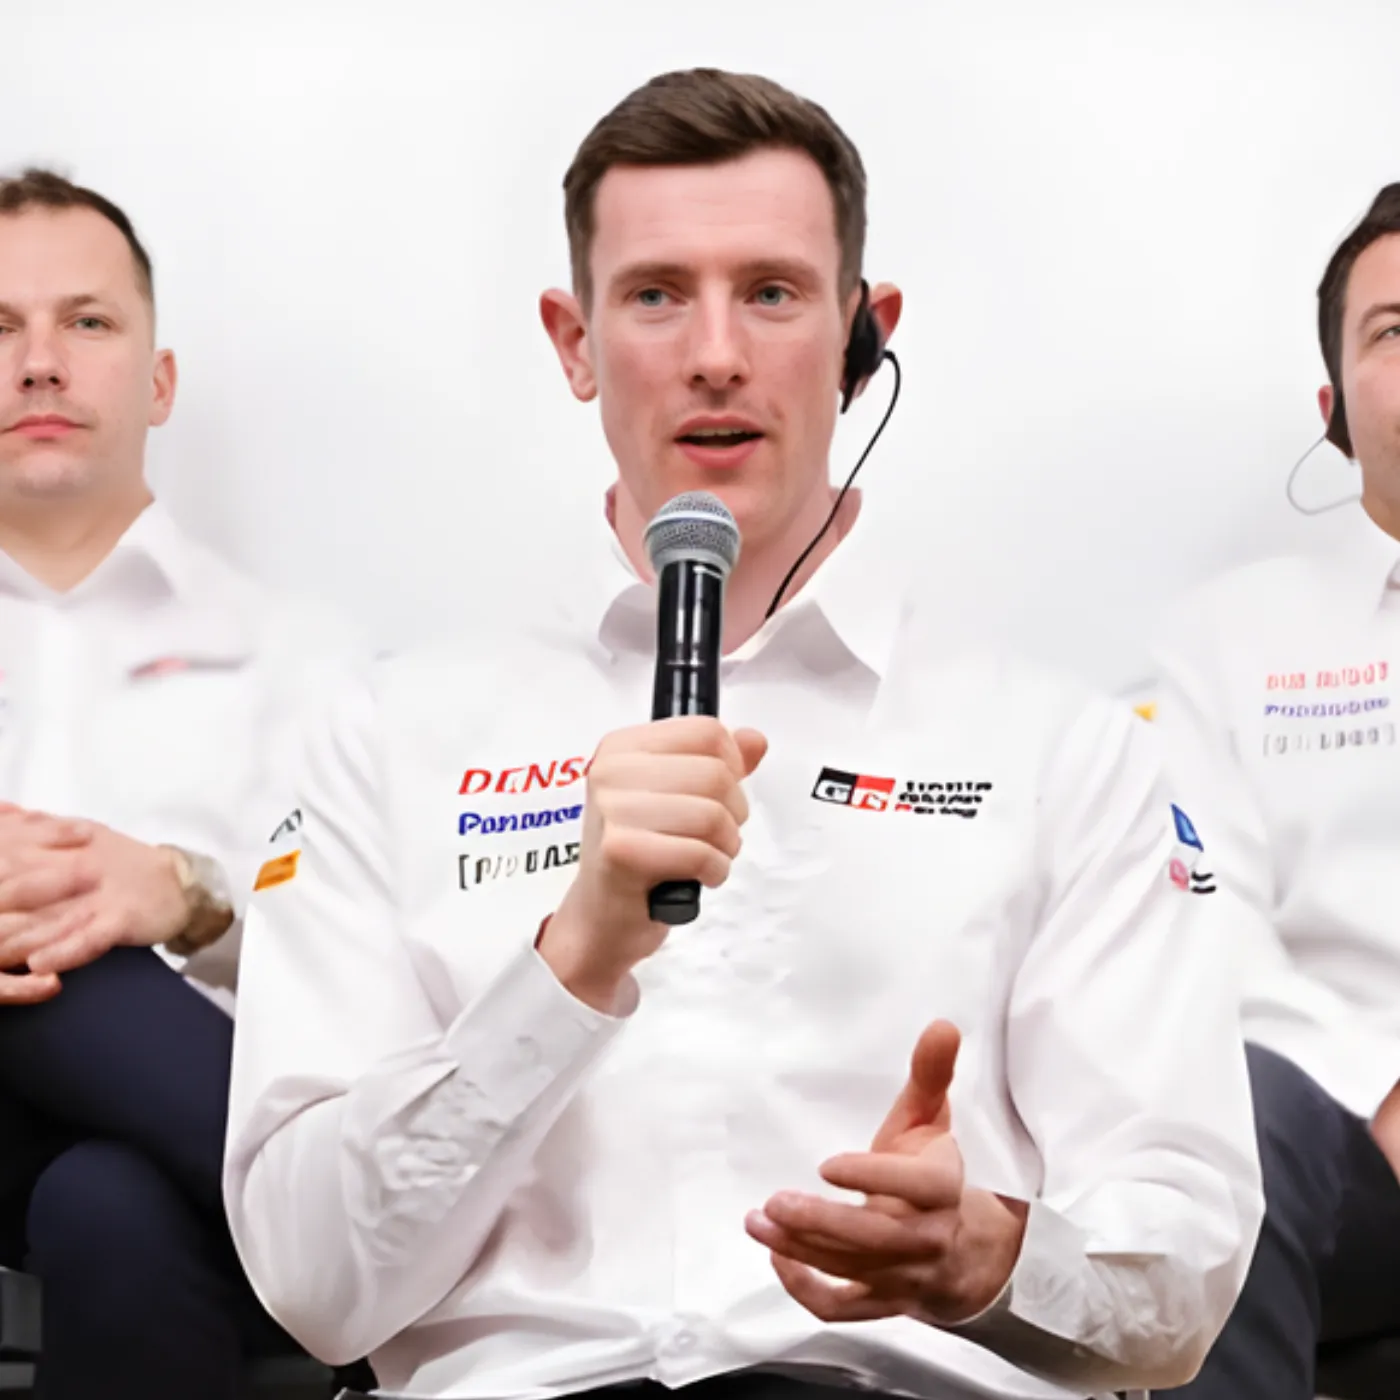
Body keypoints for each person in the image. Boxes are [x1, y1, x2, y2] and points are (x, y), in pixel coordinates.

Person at [224, 69, 1261, 1400]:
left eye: (771, 292)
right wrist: (573, 957)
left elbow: (1181, 1288)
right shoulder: (383, 736)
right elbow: (312, 1283)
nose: (715, 352)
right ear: (574, 342)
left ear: (861, 336)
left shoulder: (1063, 749)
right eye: (656, 295)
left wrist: (985, 1257)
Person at [0, 168, 366, 1399]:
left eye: (86, 321)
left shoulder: (298, 654)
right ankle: (397, 1241)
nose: (39, 363)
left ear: (158, 383)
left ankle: (362, 1222)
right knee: (68, 946)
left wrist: (185, 894)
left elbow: (365, 960)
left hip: (181, 1135)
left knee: (108, 1206)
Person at [1146, 183, 1400, 1399]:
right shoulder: (1225, 638)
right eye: (1392, 331)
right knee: (1218, 1117)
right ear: (1333, 410)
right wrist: (1380, 1092)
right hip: (1342, 1145)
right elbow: (1209, 923)